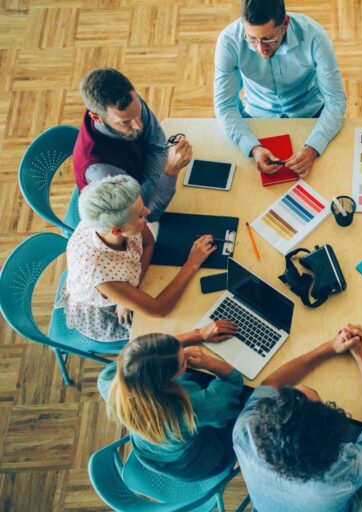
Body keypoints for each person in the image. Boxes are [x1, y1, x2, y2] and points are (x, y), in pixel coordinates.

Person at [234, 324, 362, 511]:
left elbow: (271, 383)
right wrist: (360, 354)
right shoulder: (345, 470)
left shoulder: (245, 430)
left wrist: (330, 347)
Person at [55, 175, 216, 342]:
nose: (147, 212)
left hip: (122, 284)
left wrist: (131, 290)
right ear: (117, 231)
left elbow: (149, 244)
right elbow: (158, 309)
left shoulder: (116, 222)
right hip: (104, 311)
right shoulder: (100, 273)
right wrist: (191, 263)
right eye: (140, 215)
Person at [214, 0, 346, 178]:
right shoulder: (229, 41)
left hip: (311, 115)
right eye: (252, 39)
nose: (261, 49)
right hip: (257, 118)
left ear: (285, 24)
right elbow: (225, 106)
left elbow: (335, 101)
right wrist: (252, 146)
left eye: (268, 39)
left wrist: (313, 147)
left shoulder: (314, 37)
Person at [98, 322, 243, 480]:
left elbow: (148, 355)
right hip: (200, 463)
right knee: (246, 401)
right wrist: (208, 362)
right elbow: (234, 383)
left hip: (154, 456)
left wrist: (198, 334)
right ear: (165, 380)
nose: (186, 355)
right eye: (183, 362)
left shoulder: (110, 381)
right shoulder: (188, 407)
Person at [74, 68, 192, 222]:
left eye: (138, 113)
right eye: (125, 122)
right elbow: (146, 214)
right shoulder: (100, 169)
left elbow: (157, 146)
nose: (138, 126)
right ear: (97, 117)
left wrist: (151, 186)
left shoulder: (130, 106)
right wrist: (169, 171)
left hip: (137, 183)